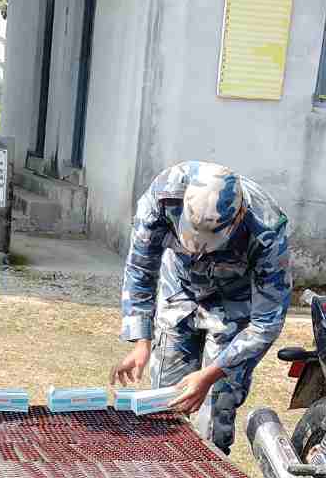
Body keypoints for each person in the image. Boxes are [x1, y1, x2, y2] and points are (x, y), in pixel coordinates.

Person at [111, 161, 291, 453]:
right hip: (179, 289)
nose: (200, 250)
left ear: (238, 218)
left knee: (214, 413)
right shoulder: (162, 196)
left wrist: (211, 374)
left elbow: (265, 324)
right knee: (163, 407)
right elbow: (140, 269)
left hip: (234, 301)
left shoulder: (267, 231)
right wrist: (141, 341)